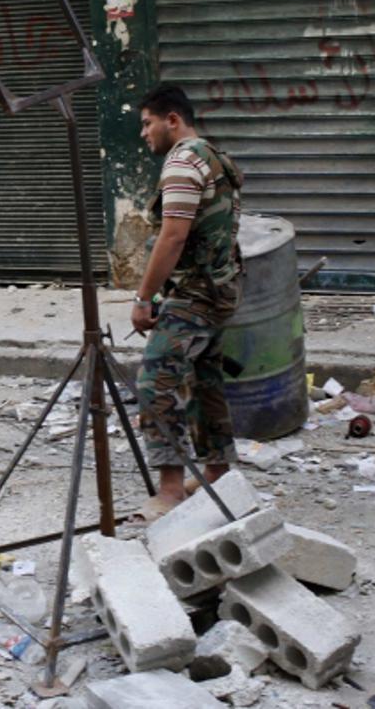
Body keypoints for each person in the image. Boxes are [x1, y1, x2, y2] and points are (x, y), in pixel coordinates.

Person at [132, 84, 244, 516]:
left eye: (147, 123)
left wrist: (144, 296)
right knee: (204, 379)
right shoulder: (214, 156)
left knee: (155, 381)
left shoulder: (182, 161)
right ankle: (216, 470)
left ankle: (171, 489)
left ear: (172, 120)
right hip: (221, 289)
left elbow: (173, 235)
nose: (144, 134)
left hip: (196, 294)